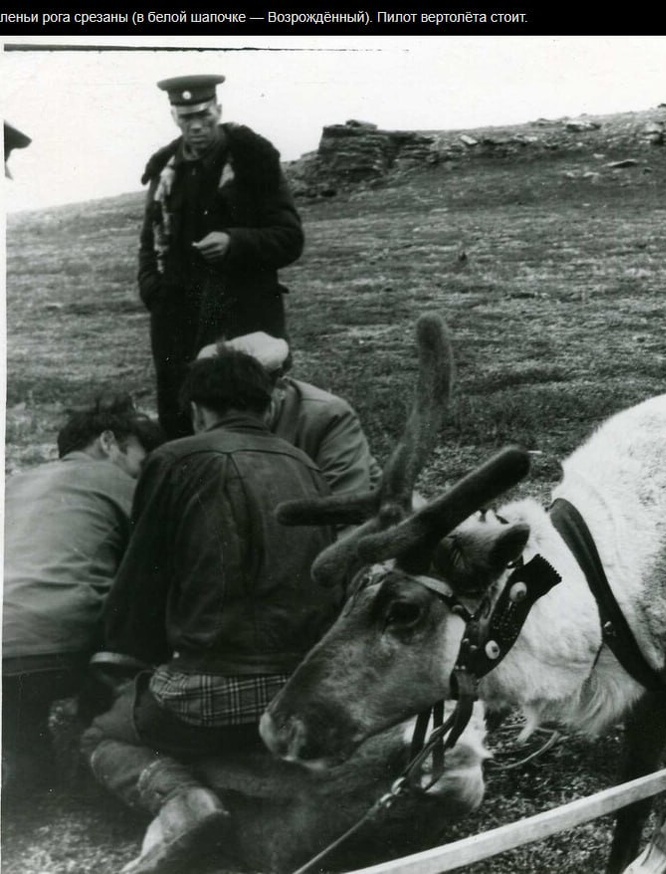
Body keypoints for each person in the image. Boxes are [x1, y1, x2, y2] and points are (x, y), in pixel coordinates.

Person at [80, 350, 342, 874]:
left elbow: (141, 583)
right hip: (300, 696)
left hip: (204, 698)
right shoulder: (306, 466)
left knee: (100, 733)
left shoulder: (174, 459)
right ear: (268, 406)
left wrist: (120, 662)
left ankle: (181, 798)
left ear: (198, 410)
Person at [2, 395, 165, 794]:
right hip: (65, 648)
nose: (142, 472)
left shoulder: (14, 484)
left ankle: (26, 757)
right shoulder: (120, 483)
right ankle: (98, 732)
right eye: (141, 460)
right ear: (108, 441)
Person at [138, 74, 304, 439]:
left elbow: (290, 238)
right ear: (174, 118)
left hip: (242, 316)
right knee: (181, 422)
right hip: (177, 322)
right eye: (187, 117)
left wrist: (235, 242)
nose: (197, 125)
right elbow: (149, 243)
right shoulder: (165, 171)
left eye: (204, 114)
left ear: (219, 110)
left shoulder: (253, 162)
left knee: (246, 421)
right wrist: (153, 291)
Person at [196, 332, 382, 498]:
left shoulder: (328, 416)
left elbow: (344, 505)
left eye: (249, 398)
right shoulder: (203, 411)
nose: (235, 414)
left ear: (281, 386)